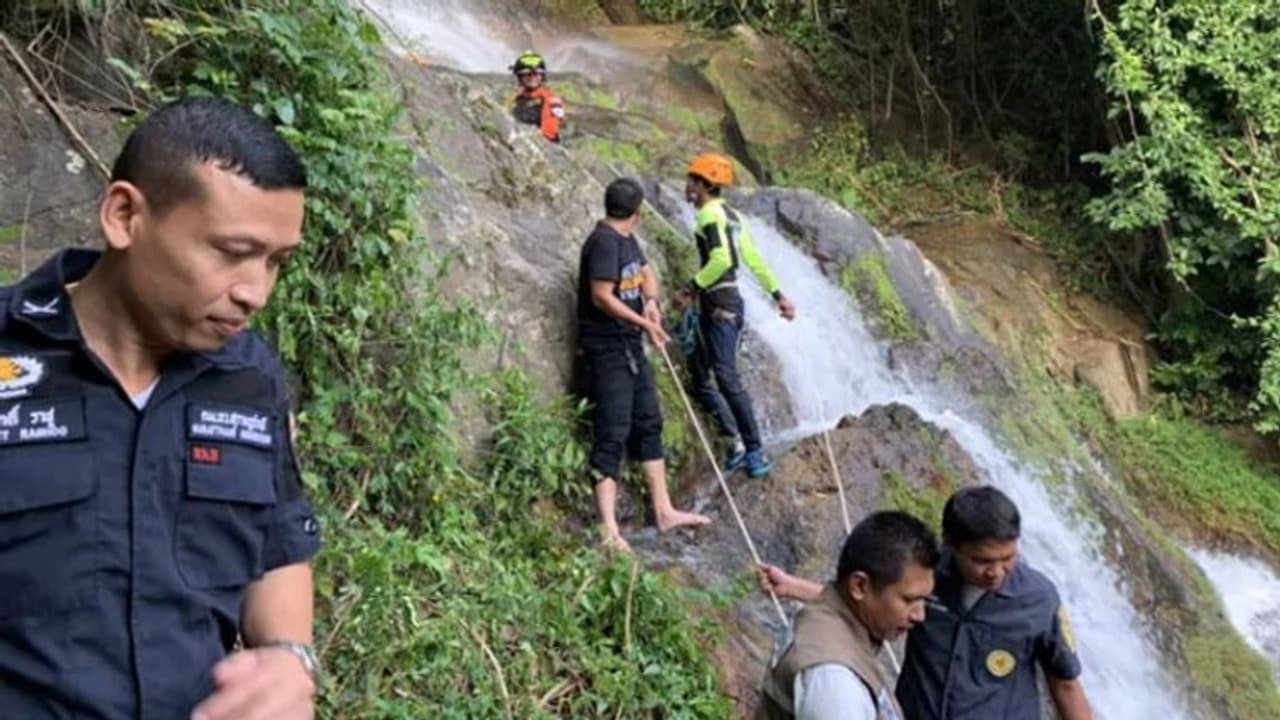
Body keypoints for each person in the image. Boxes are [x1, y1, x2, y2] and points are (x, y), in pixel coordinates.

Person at [0, 97, 321, 719]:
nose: (256, 292)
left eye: (276, 262)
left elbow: (277, 543)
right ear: (125, 216)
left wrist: (288, 657)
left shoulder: (247, 376)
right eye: (232, 251)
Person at [759, 486, 1095, 720]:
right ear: (952, 546)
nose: (996, 572)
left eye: (1008, 558)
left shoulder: (1038, 599)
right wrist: (795, 587)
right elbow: (872, 597)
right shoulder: (925, 578)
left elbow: (1065, 684)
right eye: (982, 561)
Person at [577, 177, 711, 552]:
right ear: (638, 213)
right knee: (612, 433)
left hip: (630, 348)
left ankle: (664, 510)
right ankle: (608, 529)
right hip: (606, 352)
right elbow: (601, 296)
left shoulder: (626, 240)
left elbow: (645, 272)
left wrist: (650, 303)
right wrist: (644, 323)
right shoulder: (603, 243)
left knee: (649, 423)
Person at [671, 152, 796, 479]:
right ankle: (737, 441)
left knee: (726, 378)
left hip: (720, 307)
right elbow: (753, 260)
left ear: (703, 185)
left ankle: (754, 449)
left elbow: (723, 260)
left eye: (691, 180)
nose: (687, 186)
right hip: (721, 305)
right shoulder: (733, 217)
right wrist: (778, 295)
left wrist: (689, 288)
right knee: (700, 377)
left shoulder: (709, 216)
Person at [759, 511, 940, 720]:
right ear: (860, 586)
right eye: (909, 600)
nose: (920, 615)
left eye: (925, 600)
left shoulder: (825, 621)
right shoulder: (836, 686)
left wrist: (795, 587)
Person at [509, 50, 565, 143]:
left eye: (536, 74)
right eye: (527, 74)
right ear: (520, 76)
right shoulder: (518, 98)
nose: (532, 77)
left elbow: (549, 132)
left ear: (542, 76)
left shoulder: (552, 100)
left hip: (543, 147)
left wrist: (524, 137)